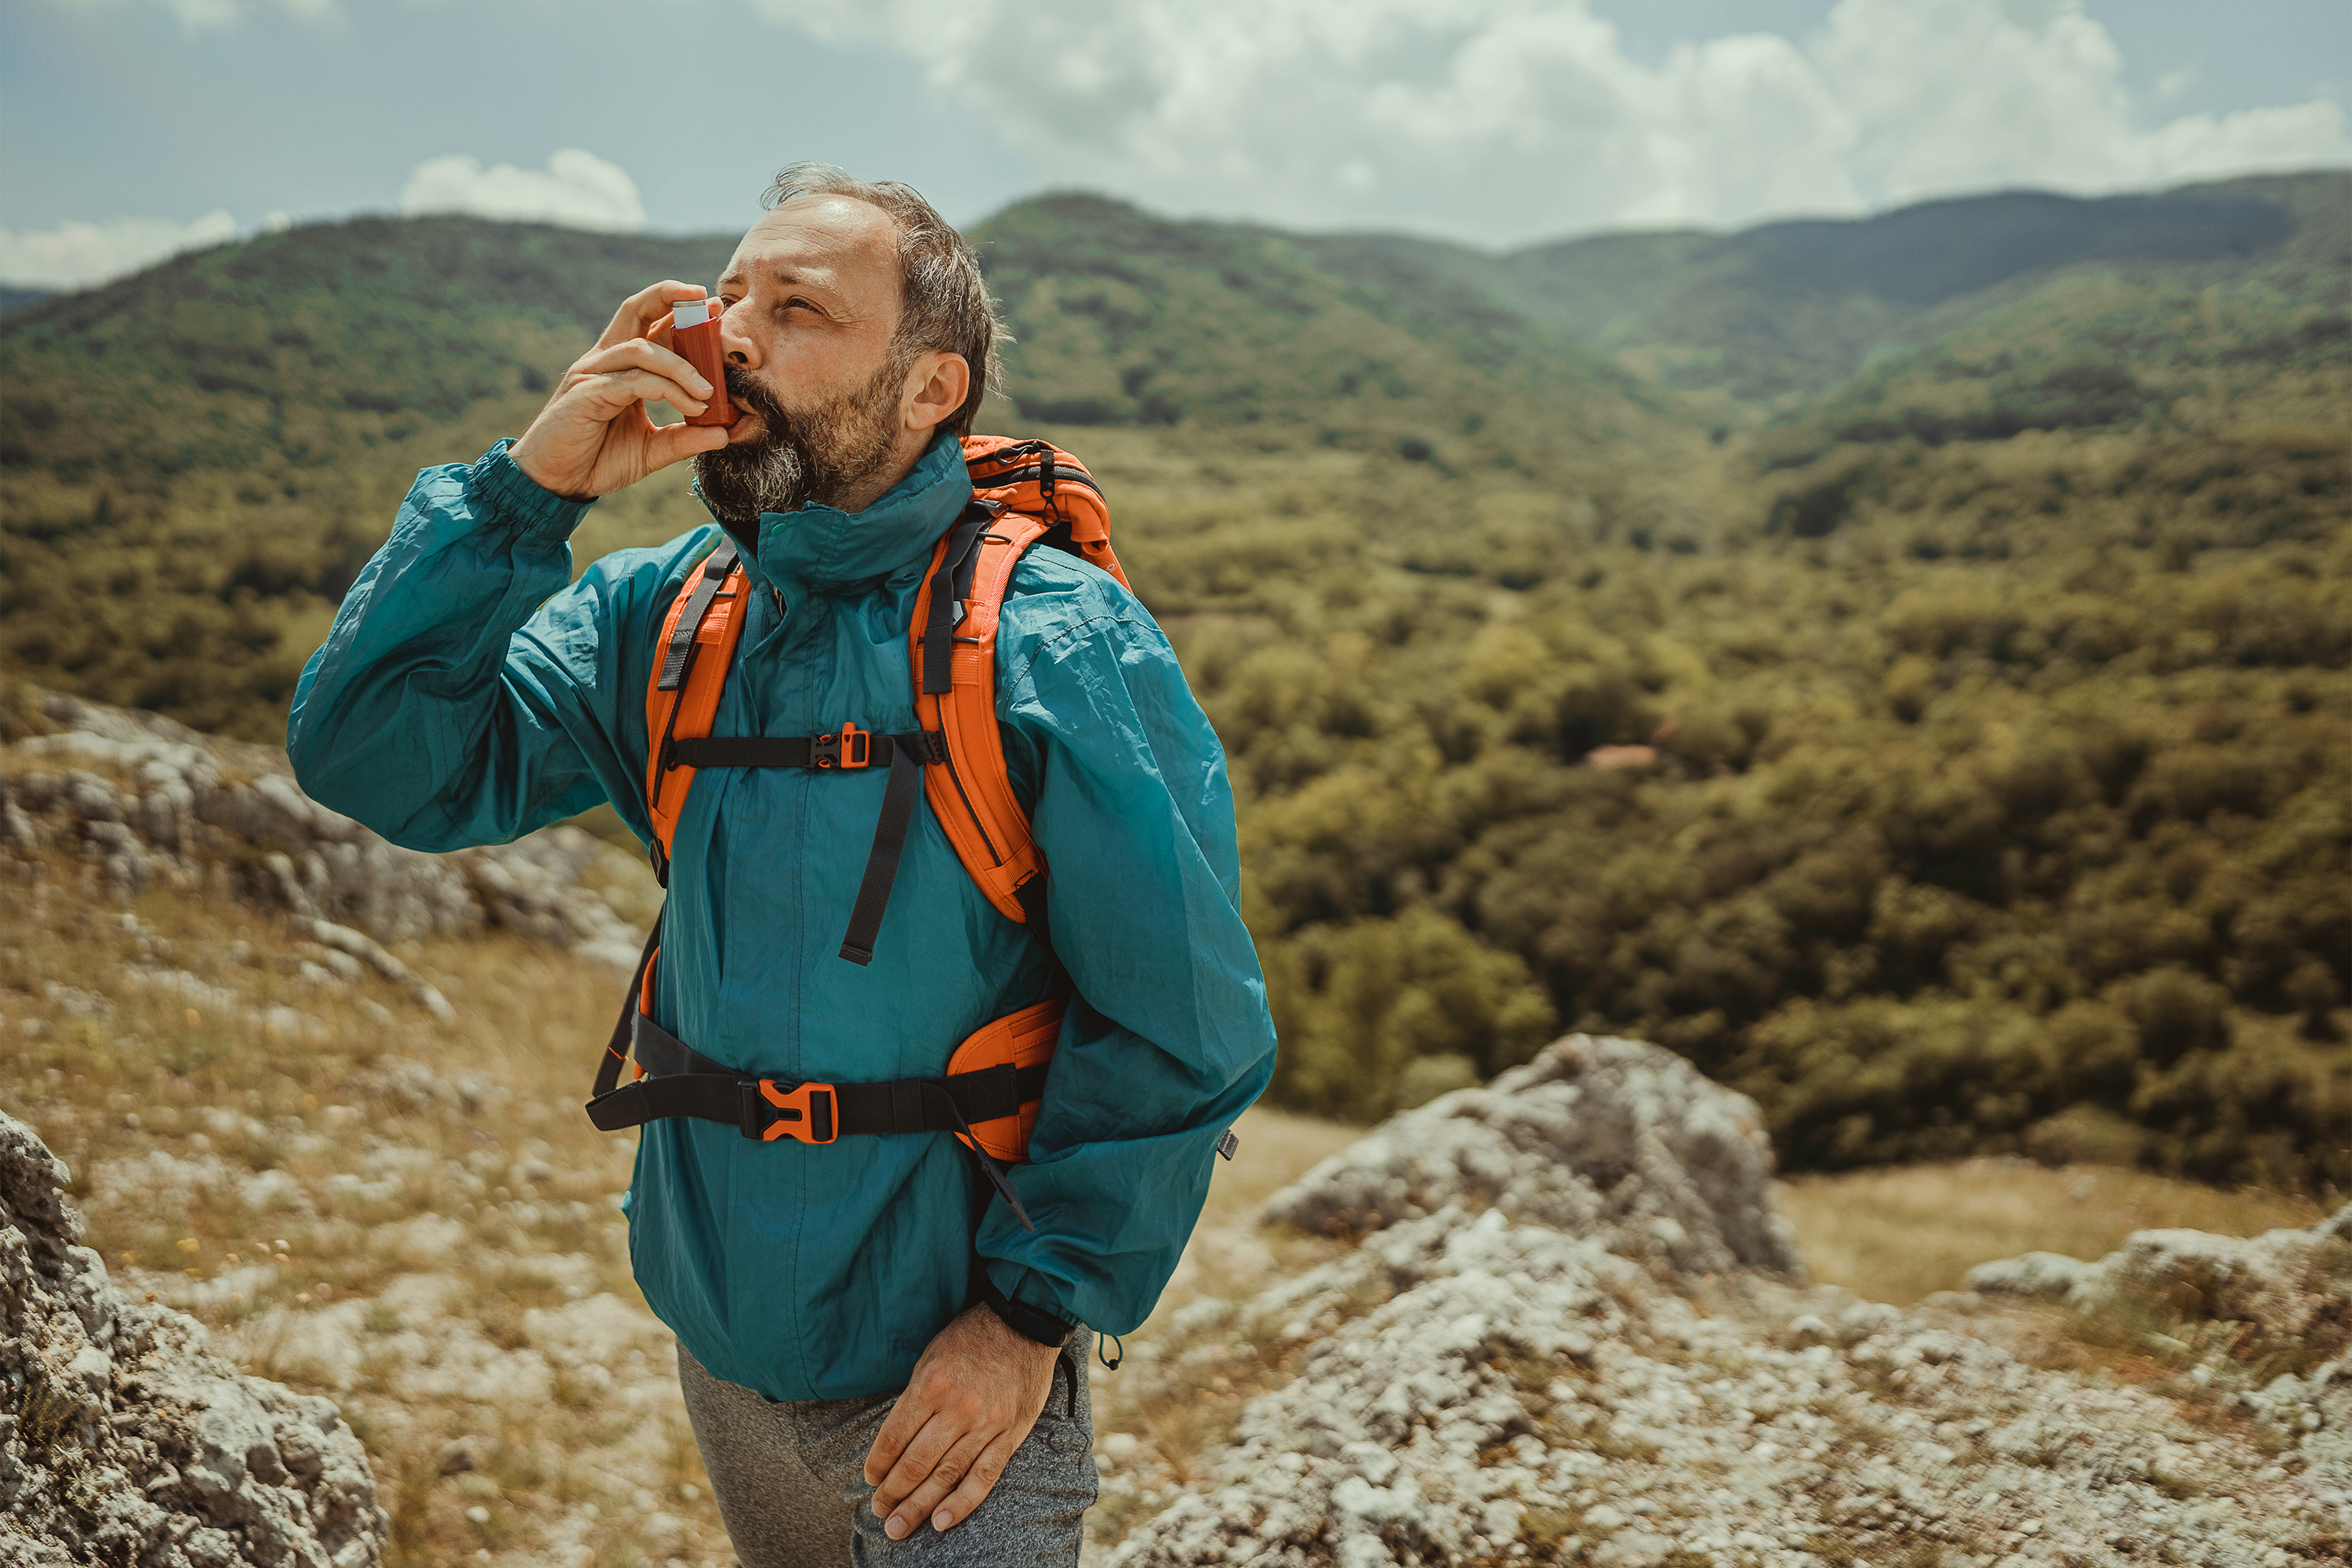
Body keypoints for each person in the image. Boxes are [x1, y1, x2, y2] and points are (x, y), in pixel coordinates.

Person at [286, 163, 1276, 1566]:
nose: (732, 334)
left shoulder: (1056, 640)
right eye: (727, 297)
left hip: (950, 1388)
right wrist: (522, 497)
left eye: (797, 308)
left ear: (930, 390)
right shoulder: (659, 615)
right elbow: (377, 756)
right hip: (720, 1341)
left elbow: (1183, 1023)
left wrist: (1025, 1323)